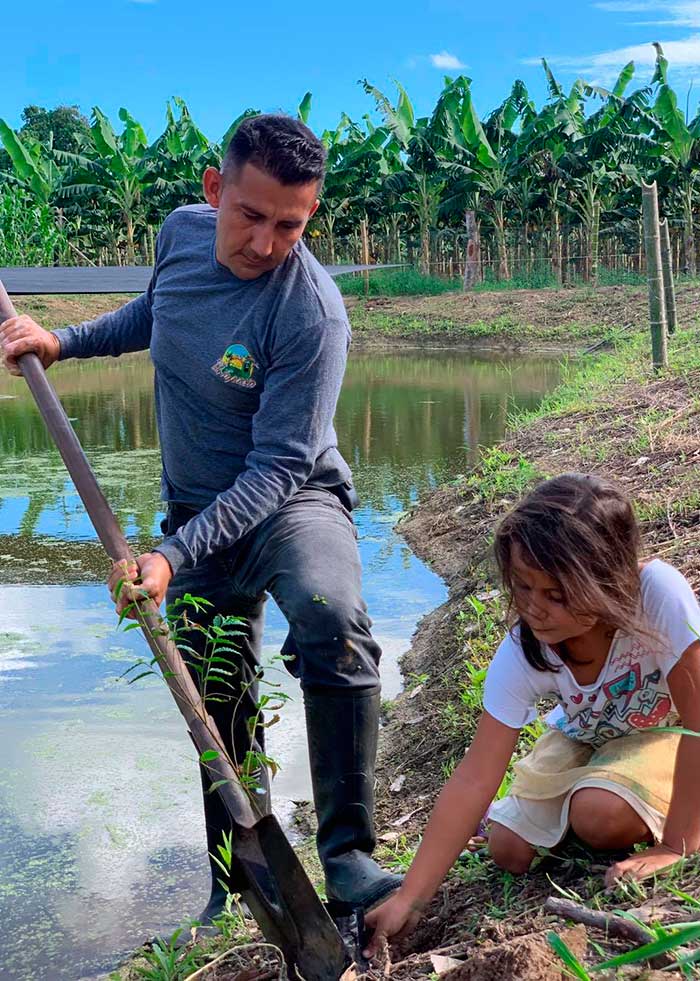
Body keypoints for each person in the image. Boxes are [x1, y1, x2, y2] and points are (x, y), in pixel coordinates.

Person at [0, 114, 401, 929]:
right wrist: (62, 341)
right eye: (250, 215)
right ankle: (236, 873)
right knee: (213, 686)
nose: (265, 241)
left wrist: (170, 555)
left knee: (332, 617)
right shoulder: (180, 235)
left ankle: (349, 854)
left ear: (309, 217)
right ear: (215, 191)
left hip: (292, 503)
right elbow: (158, 313)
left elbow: (280, 467)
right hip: (194, 509)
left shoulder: (312, 315)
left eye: (290, 225)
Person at [364, 473, 700, 957]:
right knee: (507, 848)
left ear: (610, 580)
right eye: (523, 588)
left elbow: (696, 722)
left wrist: (677, 845)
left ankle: (630, 806)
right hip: (586, 735)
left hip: (664, 731)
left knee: (599, 815)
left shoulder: (657, 595)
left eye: (556, 595)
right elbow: (476, 777)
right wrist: (411, 898)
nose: (535, 610)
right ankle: (593, 799)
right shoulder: (524, 649)